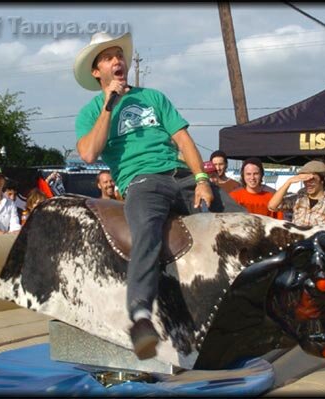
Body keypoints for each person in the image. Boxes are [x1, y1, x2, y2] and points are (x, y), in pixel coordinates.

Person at [74, 32, 245, 360]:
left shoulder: (153, 97)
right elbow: (89, 153)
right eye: (109, 57)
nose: (118, 61)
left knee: (241, 220)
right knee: (147, 234)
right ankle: (140, 317)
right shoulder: (91, 111)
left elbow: (183, 140)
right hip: (141, 182)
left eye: (119, 55)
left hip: (181, 175)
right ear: (97, 72)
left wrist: (202, 180)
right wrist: (109, 105)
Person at [268, 160, 325, 227]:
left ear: (322, 179)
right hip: (297, 242)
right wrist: (289, 182)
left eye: (312, 179)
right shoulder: (299, 198)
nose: (308, 183)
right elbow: (272, 206)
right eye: (305, 180)